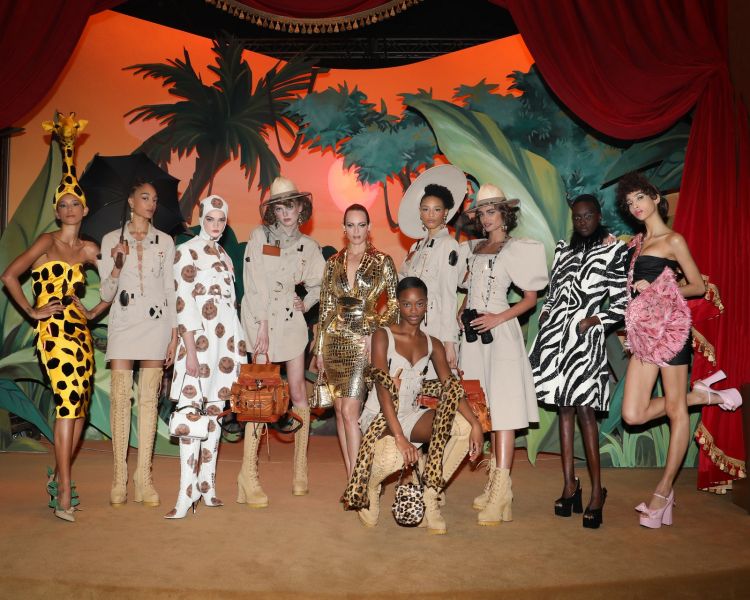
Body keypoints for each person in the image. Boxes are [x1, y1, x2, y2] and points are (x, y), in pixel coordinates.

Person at [615, 172, 740, 528]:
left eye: (640, 197)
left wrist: (657, 288)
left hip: (670, 330)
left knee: (674, 410)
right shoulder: (637, 242)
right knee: (633, 414)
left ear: (655, 197)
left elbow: (697, 286)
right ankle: (701, 396)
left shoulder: (673, 240)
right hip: (644, 334)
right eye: (629, 203)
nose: (636, 206)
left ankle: (663, 491)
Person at [1, 114, 109, 522]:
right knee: (67, 404)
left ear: (85, 207)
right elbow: (9, 276)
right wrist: (32, 311)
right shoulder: (46, 242)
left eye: (74, 203)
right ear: (56, 210)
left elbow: (119, 282)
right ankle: (64, 487)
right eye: (63, 204)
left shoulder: (90, 249)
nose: (69, 209)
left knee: (79, 408)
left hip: (80, 334)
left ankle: (60, 475)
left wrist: (95, 309)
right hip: (53, 334)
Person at [351, 277, 484, 533]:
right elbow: (383, 390)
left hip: (410, 415)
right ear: (398, 304)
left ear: (427, 305)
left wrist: (475, 423)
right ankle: (371, 488)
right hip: (379, 416)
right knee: (393, 456)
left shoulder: (433, 343)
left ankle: (429, 496)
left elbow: (451, 386)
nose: (413, 311)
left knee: (463, 427)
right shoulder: (383, 335)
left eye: (419, 304)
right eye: (407, 304)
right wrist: (400, 437)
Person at [529, 194, 628, 528]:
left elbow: (621, 303)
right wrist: (546, 314)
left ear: (598, 216)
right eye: (578, 216)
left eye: (588, 215)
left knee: (585, 411)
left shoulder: (612, 251)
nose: (583, 221)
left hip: (585, 340)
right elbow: (553, 293)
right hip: (556, 339)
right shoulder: (564, 250)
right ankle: (570, 485)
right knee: (564, 410)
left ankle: (597, 492)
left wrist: (594, 320)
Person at [458, 183, 548, 526]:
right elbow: (472, 290)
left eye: (492, 211)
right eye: (481, 212)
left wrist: (498, 317)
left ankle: (500, 491)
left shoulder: (517, 248)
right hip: (474, 338)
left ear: (504, 214)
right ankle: (499, 489)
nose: (486, 218)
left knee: (505, 412)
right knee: (486, 412)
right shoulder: (475, 248)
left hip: (501, 335)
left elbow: (529, 299)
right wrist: (463, 311)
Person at [238, 176, 325, 506]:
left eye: (291, 205)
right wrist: (261, 323)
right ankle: (248, 474)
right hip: (260, 318)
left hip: (290, 323)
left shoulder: (309, 246)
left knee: (299, 391)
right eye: (279, 207)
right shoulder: (259, 236)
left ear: (301, 207)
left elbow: (319, 282)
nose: (286, 213)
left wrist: (307, 301)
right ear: (272, 211)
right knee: (259, 392)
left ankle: (300, 469)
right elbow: (253, 283)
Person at [165, 195, 247, 518]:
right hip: (197, 345)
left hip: (224, 347)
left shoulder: (224, 256)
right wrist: (189, 350)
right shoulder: (186, 251)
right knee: (190, 415)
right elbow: (183, 302)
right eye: (210, 219)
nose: (215, 224)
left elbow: (230, 306)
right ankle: (185, 495)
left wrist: (237, 348)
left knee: (214, 414)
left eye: (221, 219)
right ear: (201, 219)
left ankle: (206, 485)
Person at [98, 180, 178, 508]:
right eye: (145, 197)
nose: (151, 203)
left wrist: (174, 333)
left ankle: (144, 476)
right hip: (123, 323)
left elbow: (170, 289)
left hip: (157, 324)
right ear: (131, 201)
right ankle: (119, 476)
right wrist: (117, 264)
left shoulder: (166, 241)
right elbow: (106, 293)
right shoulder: (110, 240)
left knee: (148, 400)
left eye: (154, 199)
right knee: (120, 399)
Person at [315, 204, 399, 478]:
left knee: (351, 410)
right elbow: (326, 307)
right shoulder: (333, 262)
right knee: (340, 411)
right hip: (334, 341)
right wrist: (319, 350)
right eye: (350, 225)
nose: (356, 231)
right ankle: (352, 475)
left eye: (361, 225)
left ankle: (359, 480)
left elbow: (395, 304)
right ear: (343, 229)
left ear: (369, 227)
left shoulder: (382, 261)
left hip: (363, 340)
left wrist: (375, 332)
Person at [397, 165, 466, 370]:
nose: (431, 214)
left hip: (435, 326)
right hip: (411, 325)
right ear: (420, 213)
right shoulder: (416, 247)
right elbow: (401, 284)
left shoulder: (448, 245)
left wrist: (449, 341)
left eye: (437, 209)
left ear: (446, 213)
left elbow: (448, 295)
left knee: (435, 383)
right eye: (425, 209)